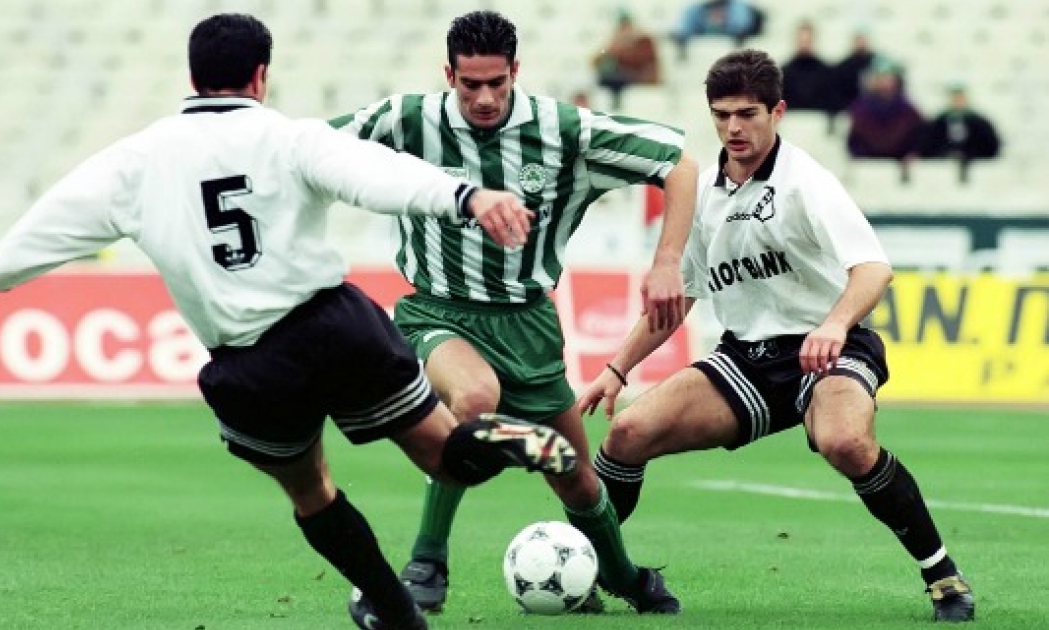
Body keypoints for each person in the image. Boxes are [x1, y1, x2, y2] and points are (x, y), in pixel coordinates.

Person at [0, 13, 583, 630]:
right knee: (443, 453)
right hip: (336, 327)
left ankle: (397, 613)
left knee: (312, 491)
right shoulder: (291, 137)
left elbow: (49, 229)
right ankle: (509, 438)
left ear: (193, 76)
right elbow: (377, 175)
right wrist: (465, 197)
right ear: (261, 75)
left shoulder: (137, 160)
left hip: (251, 364)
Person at [577, 49, 976, 624]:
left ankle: (943, 577)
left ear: (777, 112)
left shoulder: (807, 183)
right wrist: (617, 368)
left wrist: (834, 324)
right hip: (747, 360)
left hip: (830, 348)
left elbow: (874, 270)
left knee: (845, 442)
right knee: (628, 432)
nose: (733, 128)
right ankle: (591, 571)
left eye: (747, 114)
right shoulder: (703, 192)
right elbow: (680, 296)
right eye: (722, 115)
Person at [331, 10, 698, 616]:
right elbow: (307, 151)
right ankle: (427, 561)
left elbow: (679, 164)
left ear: (515, 72)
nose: (483, 97)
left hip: (527, 326)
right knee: (474, 397)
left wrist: (667, 262)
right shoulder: (407, 120)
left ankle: (624, 575)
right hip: (437, 313)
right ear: (448, 74)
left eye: (496, 83)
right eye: (469, 84)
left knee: (577, 479)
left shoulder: (564, 130)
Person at [846, 58, 924, 165]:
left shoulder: (908, 110)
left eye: (888, 78)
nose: (884, 82)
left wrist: (910, 153)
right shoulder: (860, 108)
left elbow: (916, 137)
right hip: (868, 162)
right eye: (881, 77)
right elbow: (854, 139)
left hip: (898, 162)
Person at [592, 7, 662, 111]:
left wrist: (616, 49)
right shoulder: (622, 40)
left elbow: (637, 60)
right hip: (631, 75)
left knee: (611, 78)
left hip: (642, 77)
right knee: (605, 76)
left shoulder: (642, 39)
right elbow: (596, 60)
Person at [919, 83, 1001, 164]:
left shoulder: (979, 122)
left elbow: (991, 146)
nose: (958, 101)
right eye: (955, 98)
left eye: (960, 98)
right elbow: (927, 146)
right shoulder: (938, 123)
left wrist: (968, 154)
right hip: (942, 166)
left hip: (976, 165)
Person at [671, 0, 765, 60]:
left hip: (735, 32)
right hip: (705, 30)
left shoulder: (738, 8)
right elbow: (684, 27)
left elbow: (742, 24)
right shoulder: (695, 10)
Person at [780, 20, 834, 116]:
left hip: (818, 120)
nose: (804, 45)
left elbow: (831, 103)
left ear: (813, 41)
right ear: (795, 41)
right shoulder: (784, 73)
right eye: (801, 41)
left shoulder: (826, 72)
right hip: (792, 120)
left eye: (807, 41)